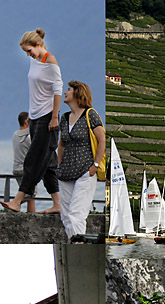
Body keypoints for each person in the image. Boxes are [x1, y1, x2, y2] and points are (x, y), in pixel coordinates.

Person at [0, 29, 61, 215]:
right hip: (34, 117)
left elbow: (58, 90)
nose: (28, 55)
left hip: (47, 118)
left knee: (33, 160)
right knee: (49, 164)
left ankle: (18, 201)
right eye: (25, 52)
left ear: (38, 45)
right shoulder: (34, 60)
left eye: (29, 51)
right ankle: (58, 204)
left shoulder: (50, 61)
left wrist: (54, 116)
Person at [56, 80, 103, 240]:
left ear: (77, 93)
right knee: (66, 216)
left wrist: (95, 165)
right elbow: (61, 144)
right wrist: (59, 165)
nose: (65, 92)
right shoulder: (64, 117)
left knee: (76, 214)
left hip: (85, 171)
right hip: (66, 173)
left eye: (68, 90)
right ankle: (75, 243)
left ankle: (78, 245)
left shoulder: (90, 115)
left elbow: (102, 140)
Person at [11, 112, 35, 213]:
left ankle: (15, 206)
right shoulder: (29, 136)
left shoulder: (15, 135)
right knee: (31, 197)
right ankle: (13, 204)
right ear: (26, 121)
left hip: (16, 169)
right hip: (26, 170)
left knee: (26, 194)